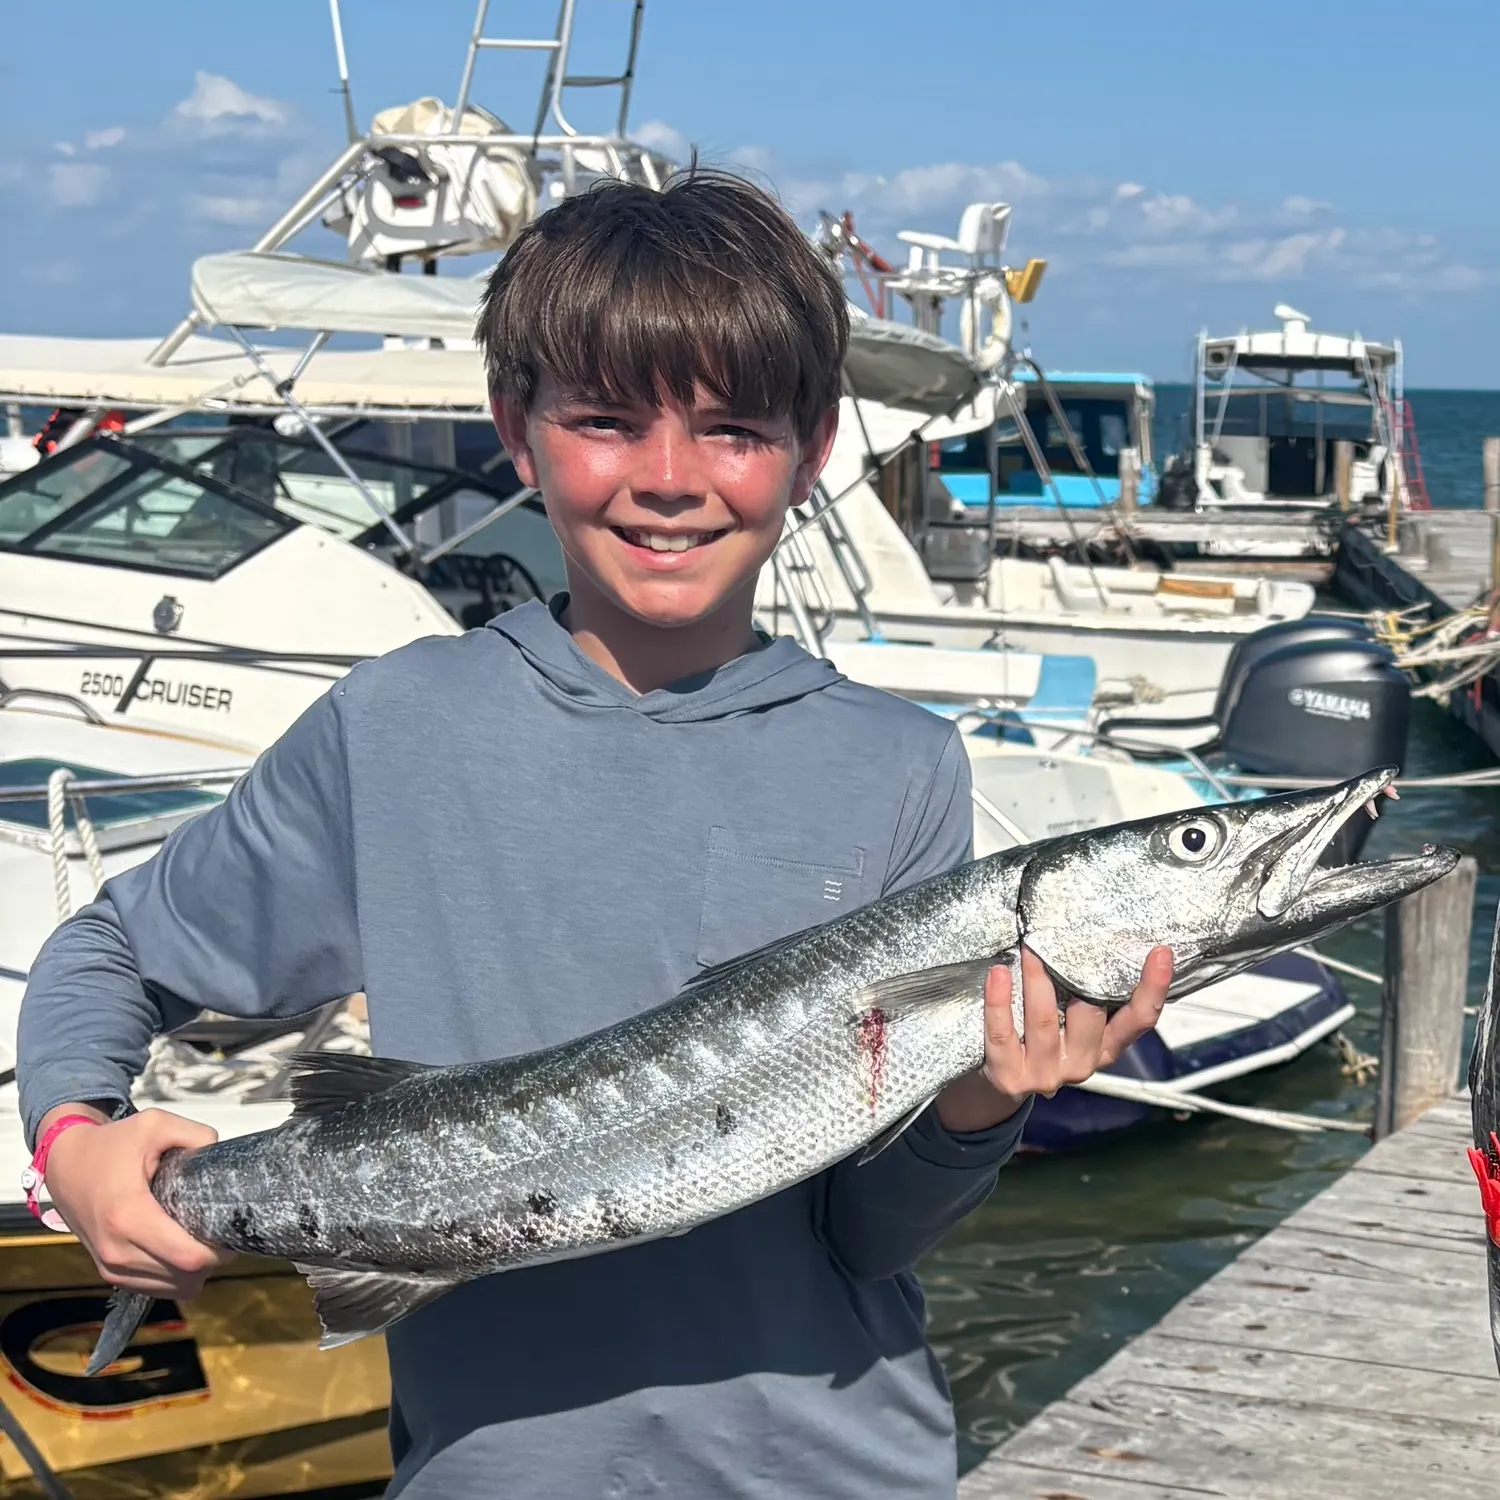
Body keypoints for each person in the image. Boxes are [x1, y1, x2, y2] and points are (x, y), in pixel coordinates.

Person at [17, 170, 1171, 1498]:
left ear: (812, 450)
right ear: (519, 431)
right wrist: (74, 1140)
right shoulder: (394, 729)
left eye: (733, 430)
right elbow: (111, 953)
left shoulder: (901, 766)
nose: (669, 481)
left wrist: (980, 1101)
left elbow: (864, 1239)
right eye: (609, 422)